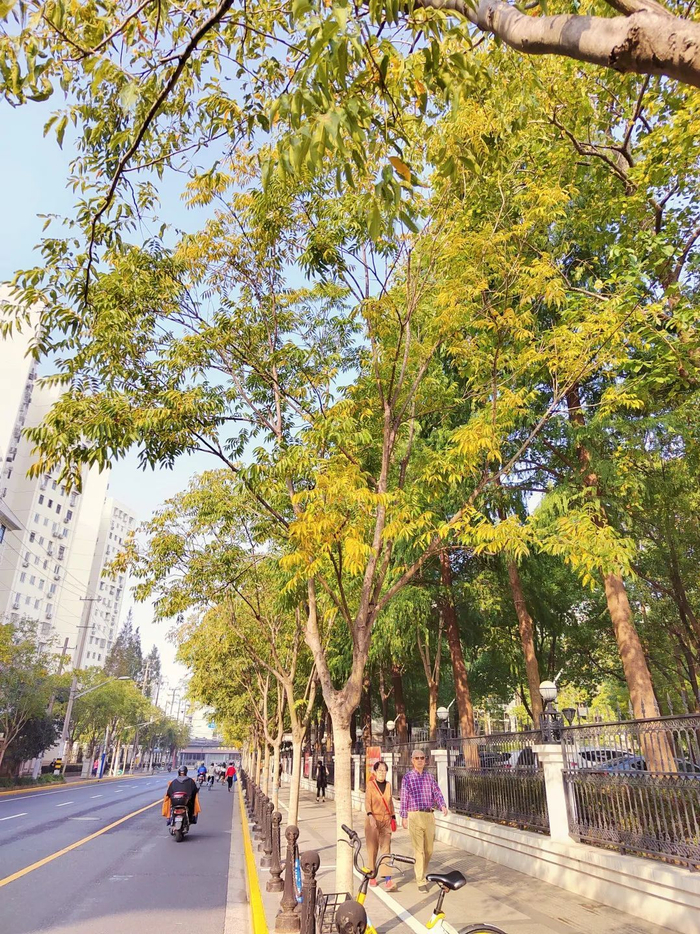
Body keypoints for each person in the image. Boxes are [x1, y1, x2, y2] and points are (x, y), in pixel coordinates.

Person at [399, 748, 448, 892]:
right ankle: (420, 880)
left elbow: (436, 792)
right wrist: (404, 816)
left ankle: (422, 872)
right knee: (419, 851)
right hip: (414, 815)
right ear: (412, 761)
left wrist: (442, 805)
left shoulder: (429, 777)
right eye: (417, 758)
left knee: (429, 850)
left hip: (428, 815)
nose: (420, 760)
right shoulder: (407, 778)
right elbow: (404, 797)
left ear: (425, 760)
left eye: (422, 758)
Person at [364, 760, 396, 891]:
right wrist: (370, 815)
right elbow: (367, 801)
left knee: (386, 849)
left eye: (384, 770)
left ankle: (388, 879)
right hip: (373, 820)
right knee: (372, 849)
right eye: (380, 770)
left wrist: (393, 817)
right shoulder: (370, 785)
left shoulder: (388, 785)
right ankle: (372, 875)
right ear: (375, 772)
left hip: (386, 820)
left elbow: (390, 802)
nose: (382, 773)